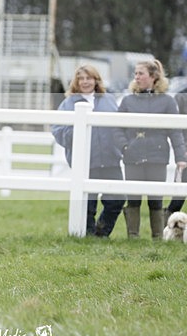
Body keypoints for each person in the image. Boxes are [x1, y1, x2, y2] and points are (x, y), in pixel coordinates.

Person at [114, 60, 187, 239]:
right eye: (135, 74)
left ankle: (158, 237)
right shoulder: (128, 100)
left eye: (141, 73)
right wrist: (125, 146)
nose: (137, 77)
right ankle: (133, 236)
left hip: (157, 156)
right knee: (133, 199)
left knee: (156, 200)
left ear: (153, 77)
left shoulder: (167, 102)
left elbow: (175, 131)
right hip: (132, 156)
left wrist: (180, 157)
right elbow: (116, 128)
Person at [52, 65, 124, 237]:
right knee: (87, 204)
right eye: (81, 79)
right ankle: (89, 236)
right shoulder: (68, 103)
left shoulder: (108, 99)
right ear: (76, 81)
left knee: (117, 199)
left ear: (96, 80)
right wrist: (75, 133)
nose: (85, 82)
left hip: (110, 159)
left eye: (89, 78)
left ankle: (101, 232)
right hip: (84, 161)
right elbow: (58, 130)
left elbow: (119, 126)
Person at [165, 91, 187, 216]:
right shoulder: (181, 98)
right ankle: (168, 224)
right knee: (178, 196)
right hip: (185, 153)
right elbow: (177, 128)